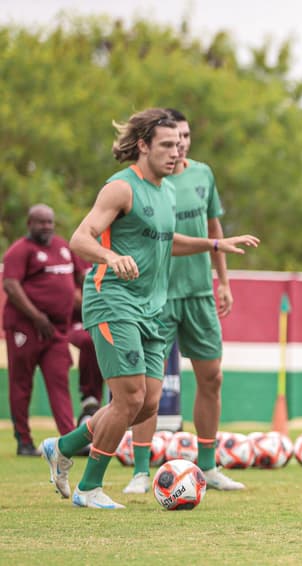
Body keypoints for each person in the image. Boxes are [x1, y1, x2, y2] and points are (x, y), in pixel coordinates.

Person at [40, 108, 259, 509]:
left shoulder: (168, 191)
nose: (175, 152)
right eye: (166, 145)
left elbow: (165, 240)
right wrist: (108, 256)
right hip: (114, 301)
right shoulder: (120, 188)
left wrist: (213, 245)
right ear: (142, 146)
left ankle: (62, 446)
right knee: (128, 397)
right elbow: (79, 238)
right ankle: (89, 489)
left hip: (151, 307)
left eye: (178, 144)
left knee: (147, 403)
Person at [122, 108, 243, 494]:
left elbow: (214, 228)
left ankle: (207, 465)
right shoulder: (146, 184)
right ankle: (141, 471)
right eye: (173, 139)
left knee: (213, 377)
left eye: (185, 137)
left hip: (199, 295)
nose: (181, 145)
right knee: (147, 391)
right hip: (157, 297)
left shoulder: (203, 174)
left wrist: (222, 281)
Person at [3, 205, 81, 456]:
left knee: (60, 383)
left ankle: (70, 441)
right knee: (21, 384)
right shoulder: (20, 250)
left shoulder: (62, 247)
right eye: (41, 222)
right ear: (30, 224)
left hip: (56, 330)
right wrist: (37, 317)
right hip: (25, 327)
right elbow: (11, 286)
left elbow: (81, 280)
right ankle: (24, 441)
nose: (47, 226)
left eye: (50, 222)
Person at [68, 256, 104, 426]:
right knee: (89, 339)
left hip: (107, 318)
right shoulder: (75, 253)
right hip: (75, 321)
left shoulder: (115, 248)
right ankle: (89, 396)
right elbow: (72, 295)